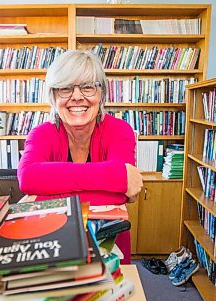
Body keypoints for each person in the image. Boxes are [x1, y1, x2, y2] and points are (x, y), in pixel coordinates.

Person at [18, 50, 143, 205]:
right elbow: (28, 177)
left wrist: (39, 199)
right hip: (56, 228)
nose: (77, 97)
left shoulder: (119, 130)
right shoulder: (41, 134)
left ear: (101, 94)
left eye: (88, 87)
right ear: (53, 96)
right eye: (65, 88)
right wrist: (114, 175)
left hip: (109, 229)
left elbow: (120, 197)